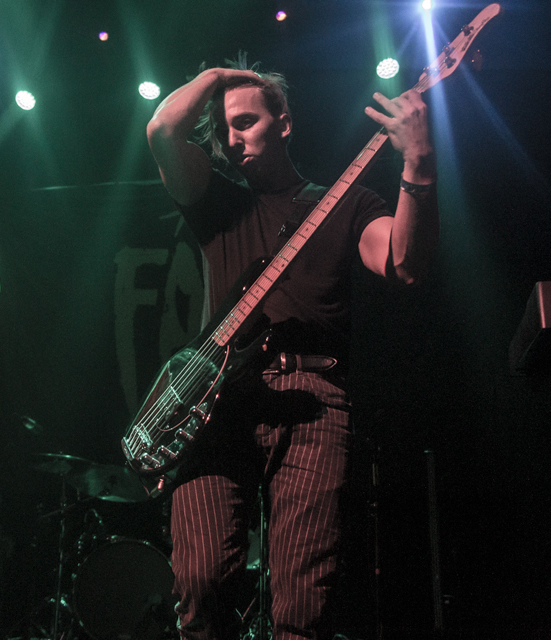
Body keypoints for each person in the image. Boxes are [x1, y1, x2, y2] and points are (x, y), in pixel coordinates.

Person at [144, 58, 438, 639]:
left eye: (246, 121)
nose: (232, 139)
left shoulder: (347, 202)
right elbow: (161, 130)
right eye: (223, 128)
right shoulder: (215, 200)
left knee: (303, 602)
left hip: (313, 397)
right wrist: (220, 77)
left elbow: (402, 264)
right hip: (219, 400)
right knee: (199, 585)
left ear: (284, 123)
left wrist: (419, 163)